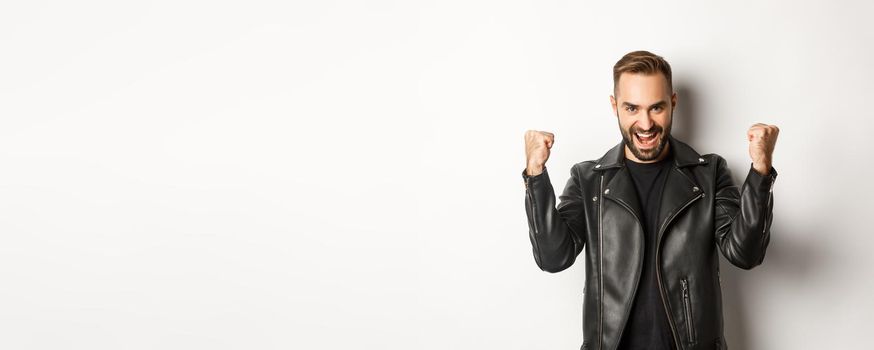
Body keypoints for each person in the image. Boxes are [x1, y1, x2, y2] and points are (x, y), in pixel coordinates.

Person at [521, 50, 779, 350]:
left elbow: (745, 254)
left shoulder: (709, 173)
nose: (645, 124)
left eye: (656, 108)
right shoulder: (588, 179)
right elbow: (553, 257)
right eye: (632, 108)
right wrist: (535, 176)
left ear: (673, 102)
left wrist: (760, 172)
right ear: (615, 106)